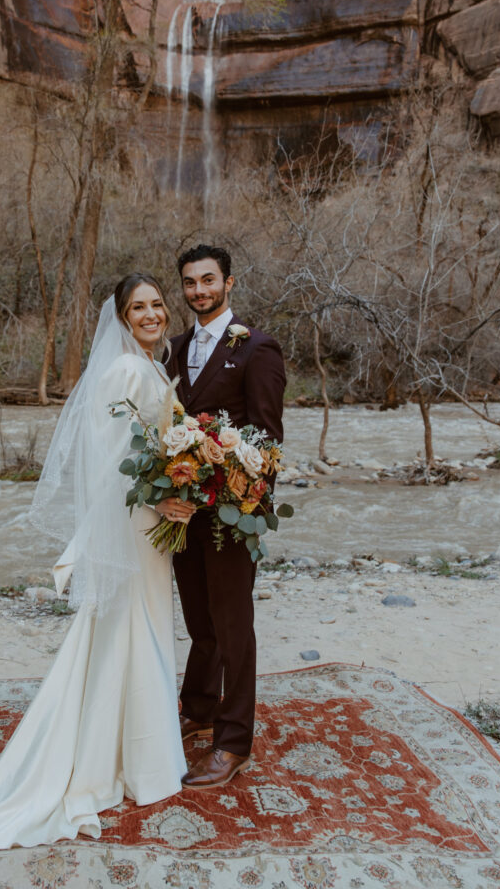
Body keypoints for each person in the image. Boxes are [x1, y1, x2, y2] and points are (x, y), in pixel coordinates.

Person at [0, 275, 186, 853]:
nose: (151, 314)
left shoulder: (150, 366)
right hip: (139, 521)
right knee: (132, 628)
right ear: (123, 318)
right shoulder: (126, 371)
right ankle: (122, 762)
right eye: (138, 308)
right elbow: (112, 460)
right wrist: (161, 496)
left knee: (138, 629)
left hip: (152, 522)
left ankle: (134, 753)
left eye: (157, 304)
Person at [161, 244, 285, 788]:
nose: (199, 291)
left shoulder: (257, 348)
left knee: (234, 629)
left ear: (229, 283)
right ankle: (199, 705)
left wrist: (246, 505)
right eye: (190, 283)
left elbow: (268, 439)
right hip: (184, 509)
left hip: (234, 515)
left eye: (208, 281)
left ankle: (233, 741)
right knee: (198, 621)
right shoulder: (173, 348)